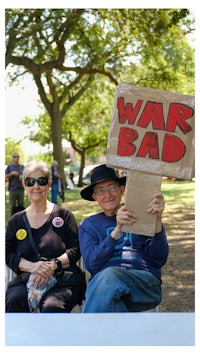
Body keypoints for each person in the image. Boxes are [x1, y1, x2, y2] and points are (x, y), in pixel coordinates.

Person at [78, 164, 169, 313]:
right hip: (105, 288)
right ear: (95, 197)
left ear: (122, 189)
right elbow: (92, 265)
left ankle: (87, 333)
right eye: (101, 190)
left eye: (111, 187)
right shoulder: (89, 225)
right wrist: (117, 230)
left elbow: (158, 259)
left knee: (110, 275)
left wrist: (157, 220)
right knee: (114, 301)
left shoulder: (141, 214)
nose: (107, 195)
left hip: (144, 286)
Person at [6, 161, 86, 313]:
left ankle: (52, 338)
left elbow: (76, 248)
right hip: (26, 280)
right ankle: (20, 338)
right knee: (15, 299)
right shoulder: (16, 221)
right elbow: (7, 253)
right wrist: (33, 267)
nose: (36, 186)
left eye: (41, 181)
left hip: (62, 281)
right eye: (30, 182)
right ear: (24, 185)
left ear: (49, 184)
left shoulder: (64, 215)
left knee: (52, 306)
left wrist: (52, 266)